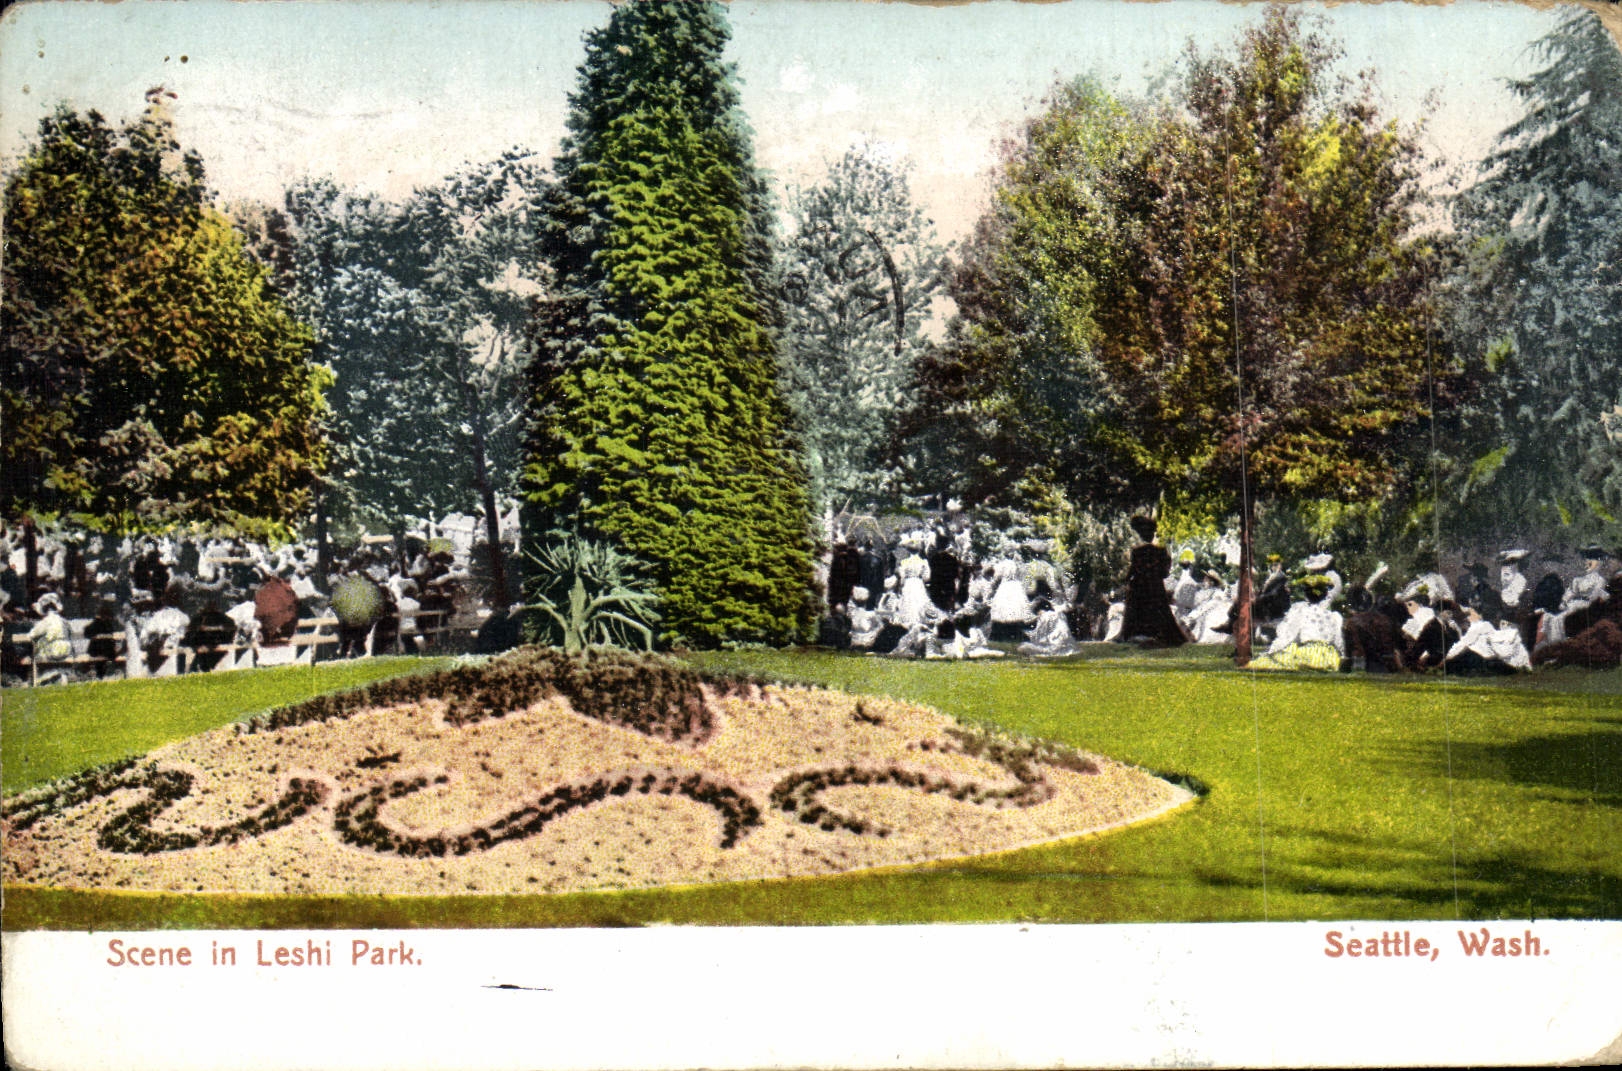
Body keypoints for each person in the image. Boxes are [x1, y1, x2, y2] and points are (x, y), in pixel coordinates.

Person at [1249, 574, 1343, 671]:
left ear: (1306, 595)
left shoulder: (1302, 611)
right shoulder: (1334, 616)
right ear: (1325, 595)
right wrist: (1341, 655)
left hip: (1309, 652)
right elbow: (1338, 640)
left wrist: (1272, 651)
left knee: (1281, 657)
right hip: (1328, 655)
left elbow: (1288, 636)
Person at [1118, 516, 1186, 647]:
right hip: (1155, 587)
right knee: (1158, 609)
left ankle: (1137, 635)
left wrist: (1126, 580)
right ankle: (1156, 635)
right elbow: (1165, 572)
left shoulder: (1137, 551)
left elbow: (1132, 570)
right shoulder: (1161, 552)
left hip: (1139, 587)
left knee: (1138, 609)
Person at [1444, 603, 1529, 676]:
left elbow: (1460, 646)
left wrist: (1442, 663)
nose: (1465, 618)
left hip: (1492, 660)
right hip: (1501, 661)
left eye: (1467, 616)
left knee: (1467, 652)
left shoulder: (1480, 626)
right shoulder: (1466, 628)